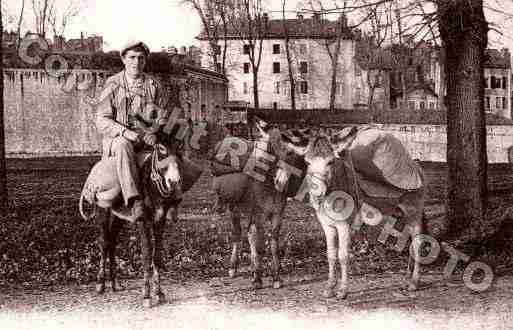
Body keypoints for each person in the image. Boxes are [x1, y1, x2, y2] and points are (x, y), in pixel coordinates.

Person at [96, 40, 170, 221]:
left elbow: (163, 116)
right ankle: (134, 199)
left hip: (146, 140)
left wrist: (154, 132)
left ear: (145, 61)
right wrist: (124, 132)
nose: (136, 62)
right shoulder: (112, 84)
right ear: (123, 59)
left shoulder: (153, 85)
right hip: (118, 139)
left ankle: (171, 201)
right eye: (132, 57)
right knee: (123, 146)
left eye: (140, 58)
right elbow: (101, 119)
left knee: (172, 158)